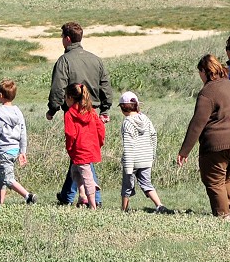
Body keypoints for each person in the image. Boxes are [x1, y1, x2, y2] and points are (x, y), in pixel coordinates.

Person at [175, 55, 230, 218]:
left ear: (205, 71)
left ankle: (223, 218)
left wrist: (184, 151)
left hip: (218, 145)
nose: (200, 76)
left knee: (214, 180)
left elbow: (198, 123)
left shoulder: (207, 91)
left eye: (200, 72)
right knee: (226, 177)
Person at [46, 22, 113, 206]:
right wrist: (106, 108)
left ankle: (93, 199)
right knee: (79, 154)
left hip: (73, 112)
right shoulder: (95, 59)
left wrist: (52, 109)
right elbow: (105, 86)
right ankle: (68, 195)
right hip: (92, 112)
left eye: (62, 37)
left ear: (67, 39)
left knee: (80, 154)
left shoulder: (64, 61)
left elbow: (58, 88)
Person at [118, 91, 169, 213]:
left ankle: (124, 209)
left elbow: (129, 146)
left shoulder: (127, 123)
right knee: (146, 183)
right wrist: (152, 154)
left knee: (127, 186)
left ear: (123, 107)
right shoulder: (146, 119)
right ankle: (159, 205)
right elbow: (153, 136)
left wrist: (128, 167)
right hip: (146, 158)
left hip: (133, 160)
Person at [0, 79, 34, 205]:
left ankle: (28, 196)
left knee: (8, 178)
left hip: (4, 151)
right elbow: (23, 132)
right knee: (1, 176)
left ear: (0, 95)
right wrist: (23, 151)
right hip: (15, 150)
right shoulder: (18, 112)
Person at [63, 82, 105, 208]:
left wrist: (70, 148)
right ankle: (82, 196)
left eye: (65, 97)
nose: (65, 100)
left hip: (79, 150)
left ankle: (92, 205)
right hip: (90, 147)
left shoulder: (69, 114)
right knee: (75, 172)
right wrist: (98, 144)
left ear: (70, 98)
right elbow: (101, 129)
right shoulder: (91, 112)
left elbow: (70, 134)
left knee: (86, 177)